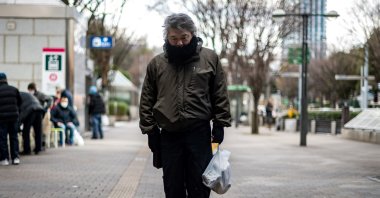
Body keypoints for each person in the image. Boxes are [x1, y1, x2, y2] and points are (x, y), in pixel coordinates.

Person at [139, 13, 231, 198]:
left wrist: (220, 124)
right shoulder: (157, 64)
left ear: (193, 34)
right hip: (169, 135)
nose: (179, 43)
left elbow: (219, 93)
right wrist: (151, 132)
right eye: (174, 39)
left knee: (199, 186)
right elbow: (147, 100)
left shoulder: (209, 58)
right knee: (173, 187)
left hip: (199, 134)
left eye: (184, 38)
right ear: (167, 37)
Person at [0, 73, 22, 165]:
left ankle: (4, 159)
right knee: (14, 137)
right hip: (14, 117)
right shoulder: (14, 89)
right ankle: (15, 158)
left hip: (2, 118)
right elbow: (20, 102)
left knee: (2, 138)